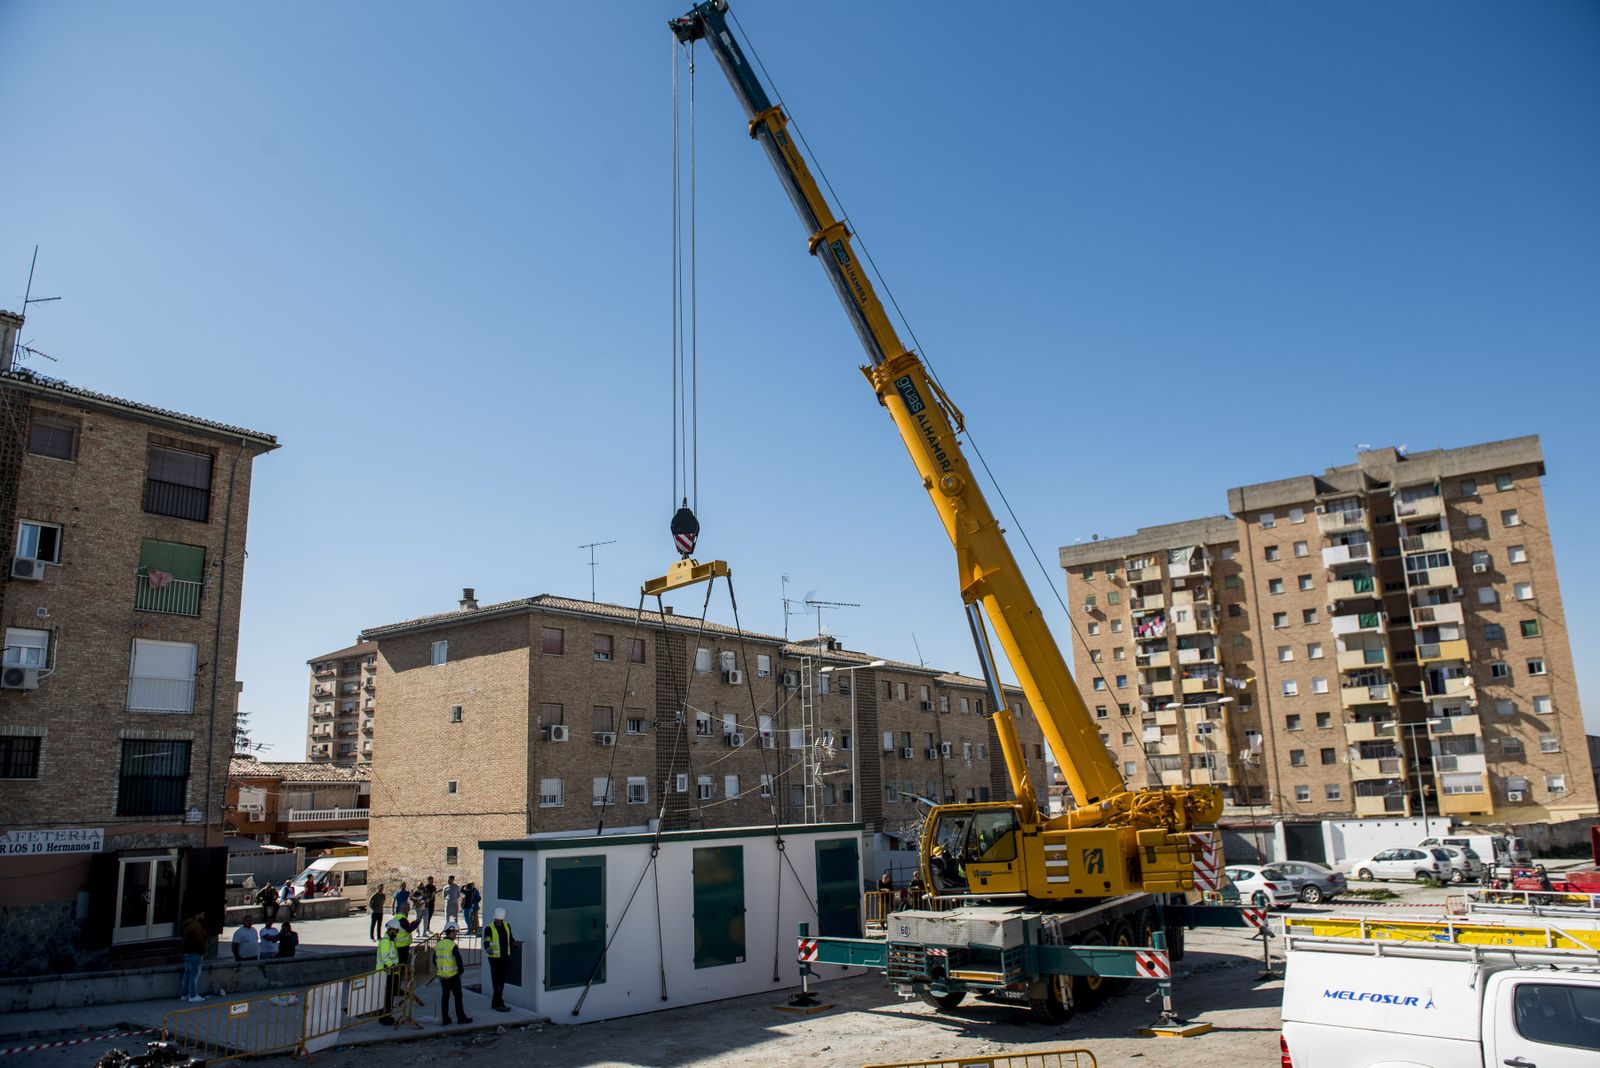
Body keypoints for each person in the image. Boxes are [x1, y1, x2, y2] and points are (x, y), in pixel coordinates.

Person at [434, 923, 472, 1026]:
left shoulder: (439, 944)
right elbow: (458, 959)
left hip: (442, 975)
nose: (456, 934)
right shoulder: (452, 945)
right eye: (455, 932)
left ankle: (445, 1019)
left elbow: (434, 960)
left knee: (445, 997)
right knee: (458, 997)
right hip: (453, 975)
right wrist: (460, 971)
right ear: (451, 931)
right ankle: (461, 1017)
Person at [485, 907, 520, 1011]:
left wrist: (516, 943)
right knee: (497, 981)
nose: (499, 922)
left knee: (502, 980)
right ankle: (498, 1003)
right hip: (495, 959)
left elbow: (510, 939)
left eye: (501, 920)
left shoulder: (506, 926)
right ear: (495, 919)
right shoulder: (489, 928)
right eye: (498, 920)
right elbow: (487, 941)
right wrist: (488, 949)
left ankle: (497, 1002)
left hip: (505, 957)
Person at [376, 918, 401, 1026]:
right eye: (396, 931)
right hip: (385, 972)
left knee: (388, 996)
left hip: (390, 972)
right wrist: (393, 965)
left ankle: (386, 1016)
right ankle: (385, 1017)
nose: (396, 933)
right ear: (391, 930)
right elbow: (384, 957)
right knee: (387, 997)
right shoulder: (386, 942)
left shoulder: (390, 941)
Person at [180, 913, 207, 1003]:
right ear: (198, 915)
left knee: (187, 974)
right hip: (195, 952)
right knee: (193, 975)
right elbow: (199, 939)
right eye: (202, 915)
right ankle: (193, 995)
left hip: (187, 952)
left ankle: (185, 994)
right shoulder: (196, 926)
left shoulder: (187, 924)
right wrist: (203, 949)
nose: (203, 917)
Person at [390, 906, 419, 971]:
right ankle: (398, 978)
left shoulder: (397, 917)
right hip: (402, 946)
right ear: (405, 909)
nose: (408, 911)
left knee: (399, 965)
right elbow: (408, 929)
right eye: (408, 909)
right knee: (401, 965)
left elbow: (405, 927)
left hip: (398, 944)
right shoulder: (402, 918)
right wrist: (416, 923)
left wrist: (413, 923)